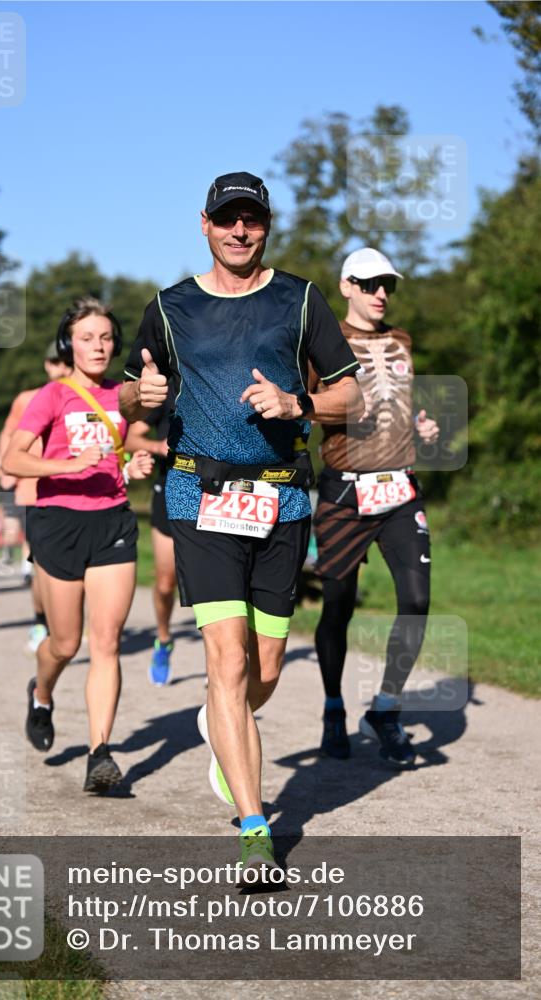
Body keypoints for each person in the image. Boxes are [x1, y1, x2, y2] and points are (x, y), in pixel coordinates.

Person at [120, 172, 362, 877]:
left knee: (264, 668)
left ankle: (220, 725)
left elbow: (351, 394)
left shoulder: (301, 298)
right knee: (225, 663)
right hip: (200, 496)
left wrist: (297, 405)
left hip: (282, 499)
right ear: (204, 224)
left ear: (266, 226)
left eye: (250, 219)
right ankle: (255, 830)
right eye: (226, 218)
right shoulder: (169, 307)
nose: (238, 230)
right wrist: (143, 394)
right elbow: (130, 395)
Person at [2, 296, 154, 794]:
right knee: (65, 643)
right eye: (87, 338)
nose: (98, 346)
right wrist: (66, 466)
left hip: (112, 521)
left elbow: (119, 451)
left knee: (106, 642)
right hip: (59, 523)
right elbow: (13, 461)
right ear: (69, 344)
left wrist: (129, 466)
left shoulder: (123, 397)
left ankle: (99, 753)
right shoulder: (52, 395)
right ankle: (42, 693)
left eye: (106, 337)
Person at [312, 247, 439, 767]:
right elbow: (304, 406)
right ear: (346, 287)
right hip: (345, 493)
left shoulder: (402, 341)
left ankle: (386, 708)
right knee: (338, 605)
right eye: (369, 284)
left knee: (416, 599)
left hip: (399, 489)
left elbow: (401, 404)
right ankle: (333, 706)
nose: (380, 293)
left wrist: (420, 425)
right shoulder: (324, 343)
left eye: (388, 284)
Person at [0, 341, 71, 653]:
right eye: (54, 362)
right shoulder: (27, 399)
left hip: (76, 491)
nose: (60, 368)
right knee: (43, 565)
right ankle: (41, 621)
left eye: (65, 362)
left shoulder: (86, 399)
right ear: (46, 365)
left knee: (74, 564)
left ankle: (67, 622)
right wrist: (7, 465)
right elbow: (7, 434)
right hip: (33, 490)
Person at [124, 395, 177, 685]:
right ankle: (164, 640)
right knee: (166, 583)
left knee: (212, 583)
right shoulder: (167, 390)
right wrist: (158, 446)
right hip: (169, 490)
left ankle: (218, 658)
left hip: (215, 493)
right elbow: (130, 438)